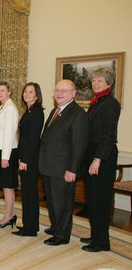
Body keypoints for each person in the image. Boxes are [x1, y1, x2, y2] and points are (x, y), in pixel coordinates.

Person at [39, 79, 89, 246]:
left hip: (63, 169)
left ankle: (62, 235)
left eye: (64, 91)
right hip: (48, 166)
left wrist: (72, 169)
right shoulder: (56, 110)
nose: (59, 93)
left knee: (63, 203)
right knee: (52, 202)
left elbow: (79, 145)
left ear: (73, 94)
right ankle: (56, 227)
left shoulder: (78, 114)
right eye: (57, 90)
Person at [81, 66, 120, 252]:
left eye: (100, 81)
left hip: (103, 156)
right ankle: (95, 235)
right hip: (92, 154)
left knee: (100, 200)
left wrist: (97, 159)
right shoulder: (96, 102)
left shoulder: (111, 103)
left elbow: (109, 136)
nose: (95, 84)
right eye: (94, 80)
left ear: (108, 83)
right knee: (92, 199)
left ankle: (102, 242)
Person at [12, 82, 44, 237]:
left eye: (31, 92)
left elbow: (32, 140)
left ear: (37, 95)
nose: (27, 94)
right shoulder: (29, 111)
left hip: (31, 159)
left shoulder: (37, 112)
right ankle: (31, 225)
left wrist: (24, 159)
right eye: (25, 91)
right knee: (27, 192)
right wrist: (20, 157)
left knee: (29, 193)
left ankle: (30, 228)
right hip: (25, 157)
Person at [0, 81, 19, 228]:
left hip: (6, 152)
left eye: (2, 90)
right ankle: (10, 214)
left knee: (8, 186)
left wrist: (5, 157)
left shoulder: (10, 109)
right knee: (5, 186)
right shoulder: (2, 108)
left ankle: (8, 217)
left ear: (9, 92)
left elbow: (9, 134)